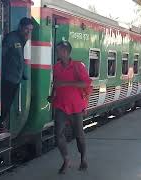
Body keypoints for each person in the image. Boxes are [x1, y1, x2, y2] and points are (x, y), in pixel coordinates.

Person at [48, 41, 92, 174]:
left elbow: (86, 83)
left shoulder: (78, 66)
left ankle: (83, 158)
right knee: (58, 134)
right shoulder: (56, 67)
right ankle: (66, 159)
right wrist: (52, 95)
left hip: (76, 106)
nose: (56, 53)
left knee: (79, 134)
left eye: (58, 51)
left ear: (65, 52)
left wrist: (66, 83)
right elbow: (56, 84)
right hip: (61, 104)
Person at [0, 17, 34, 132]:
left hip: (16, 78)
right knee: (5, 102)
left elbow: (19, 57)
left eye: (30, 30)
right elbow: (2, 54)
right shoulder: (11, 38)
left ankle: (1, 123)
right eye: (27, 29)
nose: (28, 32)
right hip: (8, 77)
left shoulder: (22, 39)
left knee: (8, 102)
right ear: (21, 27)